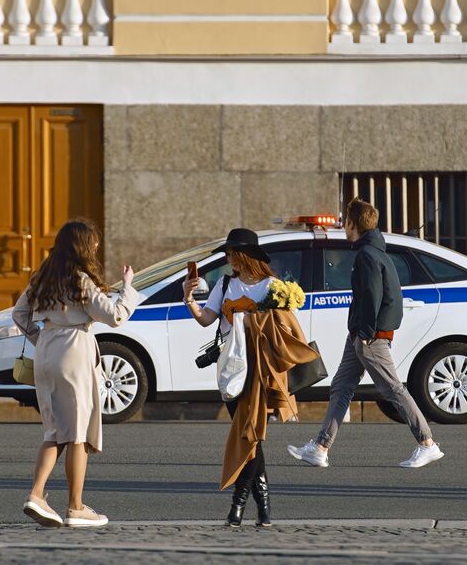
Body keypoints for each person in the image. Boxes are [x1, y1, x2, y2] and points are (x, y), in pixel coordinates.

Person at [288, 197, 443, 470]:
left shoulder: (367, 256)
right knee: (341, 388)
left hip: (368, 336)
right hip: (361, 335)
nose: (343, 226)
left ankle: (427, 443)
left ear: (354, 223)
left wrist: (367, 333)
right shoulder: (375, 252)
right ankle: (320, 448)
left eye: (346, 222)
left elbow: (372, 296)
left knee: (392, 389)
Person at [183, 227, 317, 527]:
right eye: (228, 254)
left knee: (250, 434)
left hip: (261, 371)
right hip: (231, 369)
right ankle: (262, 508)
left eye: (233, 254)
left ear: (247, 256)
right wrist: (188, 298)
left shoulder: (272, 287)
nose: (229, 259)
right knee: (249, 436)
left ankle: (240, 505)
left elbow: (286, 330)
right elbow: (207, 320)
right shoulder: (226, 282)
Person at [12, 218, 139, 528]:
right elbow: (115, 316)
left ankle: (36, 494)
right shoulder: (81, 280)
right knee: (77, 434)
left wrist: (41, 339)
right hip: (74, 352)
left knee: (54, 431)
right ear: (83, 247)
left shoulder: (41, 278)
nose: (96, 248)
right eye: (93, 243)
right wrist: (128, 288)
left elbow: (19, 313)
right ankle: (76, 506)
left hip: (45, 351)